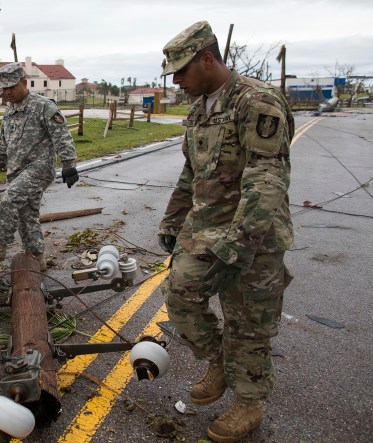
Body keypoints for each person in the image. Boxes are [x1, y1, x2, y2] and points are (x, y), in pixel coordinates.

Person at [157, 21, 294, 442]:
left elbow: (266, 181)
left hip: (254, 236)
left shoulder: (256, 102)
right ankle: (217, 361)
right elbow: (190, 173)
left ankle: (248, 404)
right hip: (204, 229)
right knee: (179, 297)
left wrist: (237, 247)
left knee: (247, 323)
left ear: (207, 59)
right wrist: (172, 219)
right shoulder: (201, 107)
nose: (176, 81)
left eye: (181, 71)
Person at [0, 63, 78, 271]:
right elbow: (4, 143)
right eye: (4, 88)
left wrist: (69, 164)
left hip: (39, 169)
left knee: (10, 199)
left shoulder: (43, 107)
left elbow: (62, 137)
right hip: (16, 172)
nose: (8, 92)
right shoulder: (10, 111)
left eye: (12, 87)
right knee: (26, 216)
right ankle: (37, 258)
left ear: (24, 82)